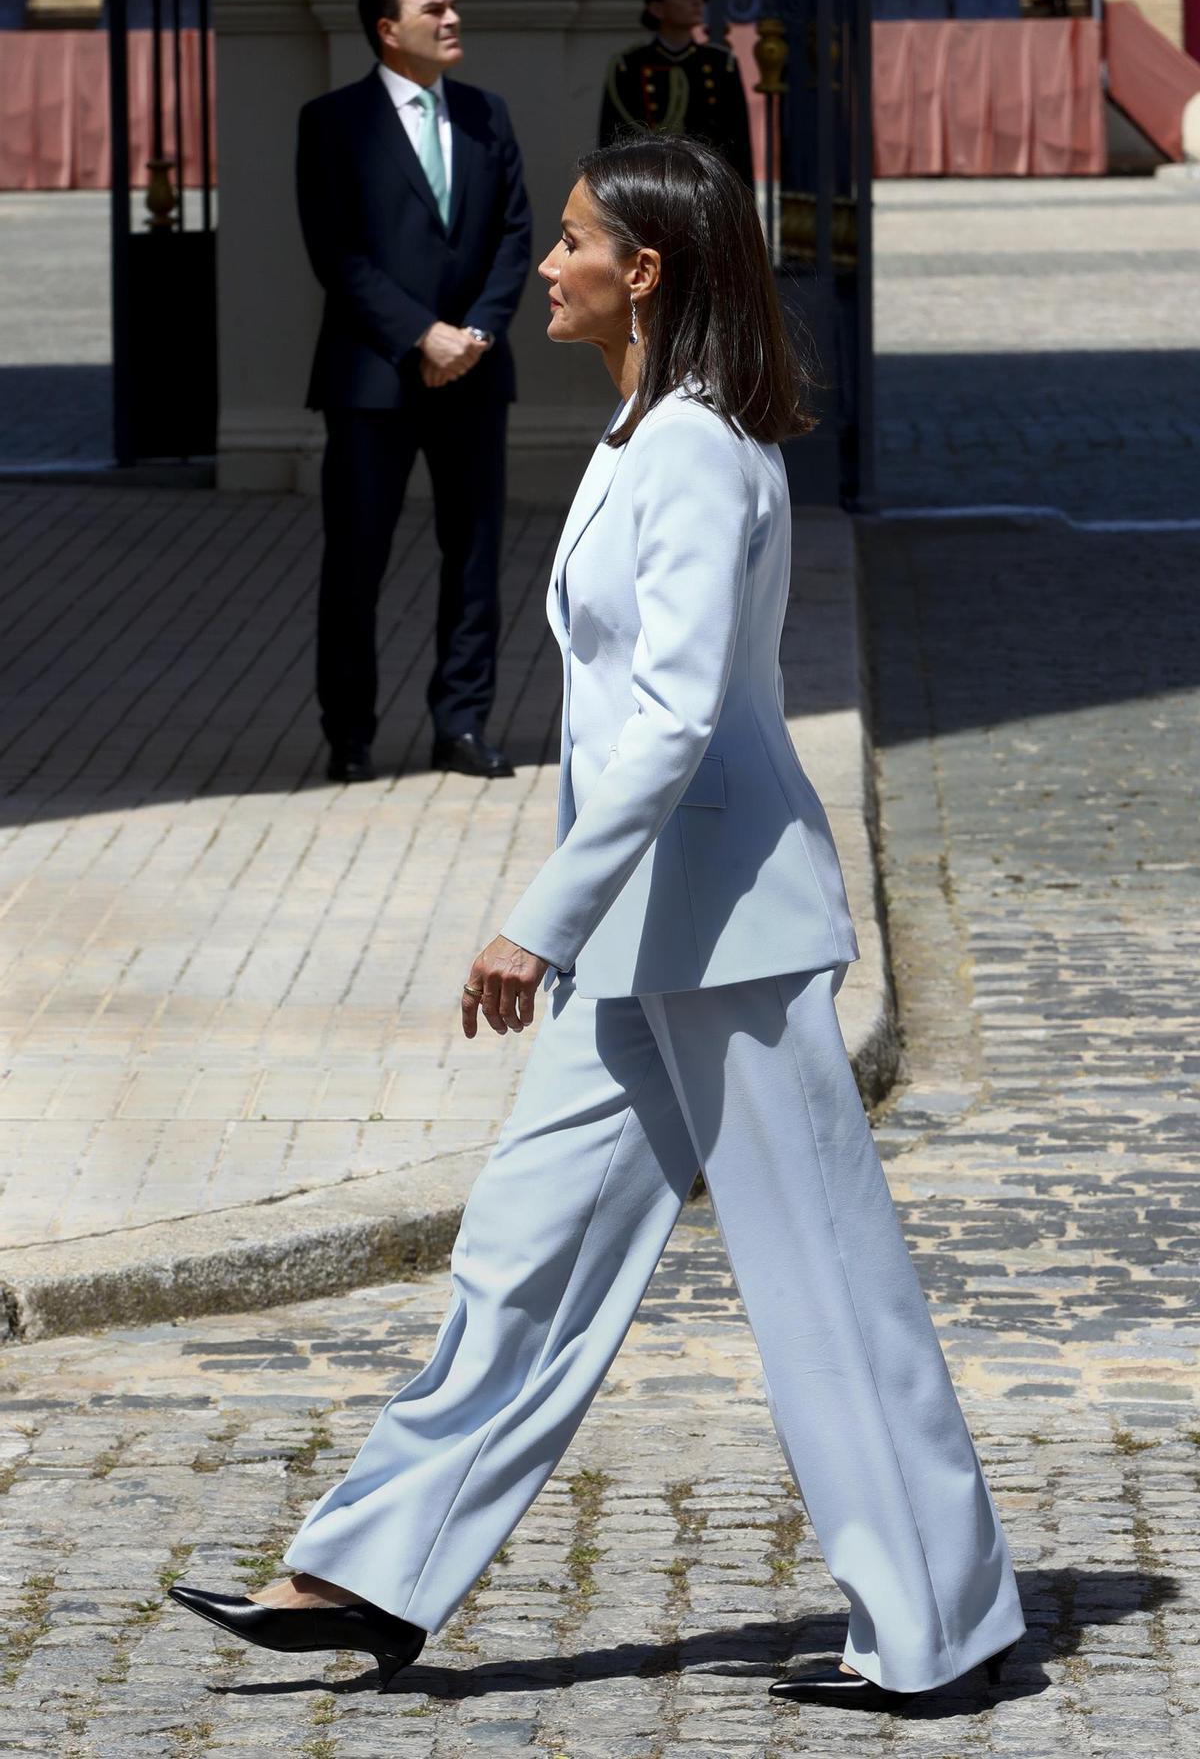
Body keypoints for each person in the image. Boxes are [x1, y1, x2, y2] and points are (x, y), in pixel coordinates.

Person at [168, 133, 1026, 1708]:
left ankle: (945, 1629)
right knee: (523, 1253)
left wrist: (539, 917)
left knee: (822, 1279)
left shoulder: (698, 440)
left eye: (570, 241)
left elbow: (683, 713)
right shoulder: (640, 429)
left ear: (644, 272)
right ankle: (366, 1572)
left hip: (729, 931)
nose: (544, 264)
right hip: (647, 932)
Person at [295, 0, 531, 785]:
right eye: (435, 7)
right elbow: (338, 254)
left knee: (473, 555)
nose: (453, 16)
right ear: (388, 30)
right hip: (373, 379)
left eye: (454, 3)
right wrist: (418, 336)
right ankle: (350, 732)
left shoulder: (485, 115)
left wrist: (472, 334)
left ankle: (461, 724)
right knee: (356, 559)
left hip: (473, 371)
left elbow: (513, 236)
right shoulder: (331, 122)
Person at [598, 0, 754, 191]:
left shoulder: (721, 65)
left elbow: (738, 146)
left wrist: (741, 197)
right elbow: (612, 142)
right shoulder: (628, 67)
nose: (696, 2)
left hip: (707, 186)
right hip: (648, 186)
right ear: (657, 8)